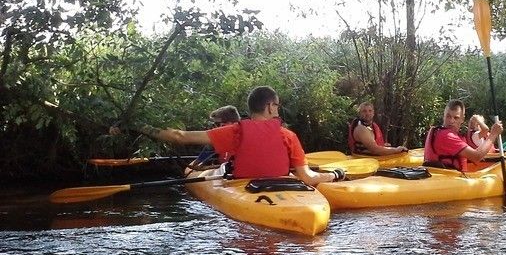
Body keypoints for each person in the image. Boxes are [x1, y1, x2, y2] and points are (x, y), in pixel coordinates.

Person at [116, 86, 344, 185]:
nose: (278, 109)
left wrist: (137, 125)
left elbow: (179, 136)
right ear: (269, 106)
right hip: (281, 187)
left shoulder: (234, 132)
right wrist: (335, 174)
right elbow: (308, 178)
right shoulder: (289, 136)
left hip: (243, 188)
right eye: (277, 105)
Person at [423, 100, 503, 171]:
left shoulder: (439, 132)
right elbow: (476, 156)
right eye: (448, 116)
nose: (451, 121)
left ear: (462, 119)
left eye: (456, 118)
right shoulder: (447, 135)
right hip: (450, 181)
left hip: (447, 177)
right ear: (444, 116)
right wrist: (493, 134)